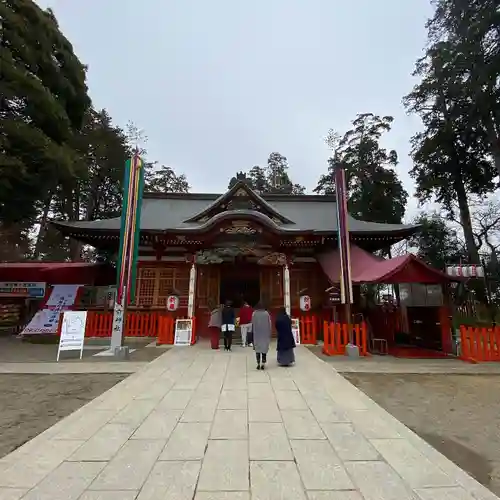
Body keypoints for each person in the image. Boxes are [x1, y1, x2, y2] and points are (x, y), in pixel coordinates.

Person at [251, 301, 272, 370]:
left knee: (257, 349)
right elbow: (269, 324)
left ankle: (258, 363)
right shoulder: (266, 314)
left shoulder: (254, 314)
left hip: (257, 333)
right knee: (264, 349)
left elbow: (252, 323)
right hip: (265, 334)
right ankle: (263, 363)